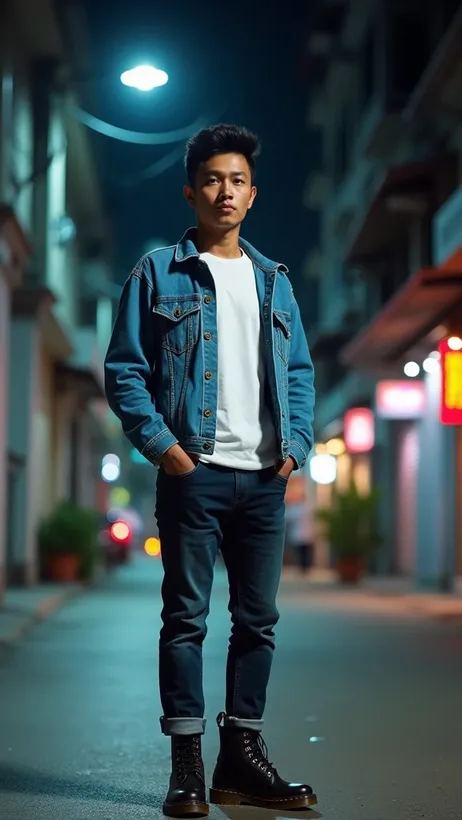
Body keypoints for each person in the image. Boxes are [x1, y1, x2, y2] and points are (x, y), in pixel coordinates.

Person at [104, 124, 316, 818]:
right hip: (193, 473)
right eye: (213, 180)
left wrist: (296, 448)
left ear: (252, 195)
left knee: (258, 622)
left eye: (237, 181)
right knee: (186, 620)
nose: (225, 192)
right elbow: (125, 370)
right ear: (191, 189)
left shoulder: (274, 281)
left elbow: (299, 374)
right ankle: (187, 766)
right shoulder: (158, 272)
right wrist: (164, 447)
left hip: (262, 479)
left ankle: (243, 757)